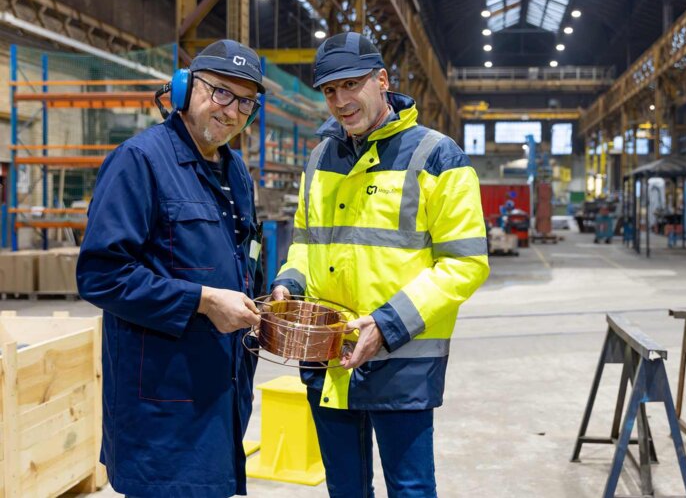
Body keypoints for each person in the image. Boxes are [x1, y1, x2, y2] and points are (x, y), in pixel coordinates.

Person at [271, 31, 490, 497]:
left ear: (382, 80)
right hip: (329, 356)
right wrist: (289, 282)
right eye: (330, 91)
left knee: (409, 488)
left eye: (351, 84)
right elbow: (305, 241)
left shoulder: (437, 156)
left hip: (401, 359)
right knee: (345, 488)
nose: (341, 100)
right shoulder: (320, 157)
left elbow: (466, 263)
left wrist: (388, 324)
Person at [77, 39, 266, 497]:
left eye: (245, 102)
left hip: (221, 395)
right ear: (184, 88)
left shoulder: (235, 170)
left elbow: (245, 251)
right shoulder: (140, 161)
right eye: (220, 92)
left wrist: (267, 291)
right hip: (162, 408)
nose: (231, 111)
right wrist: (201, 300)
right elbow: (101, 274)